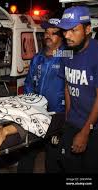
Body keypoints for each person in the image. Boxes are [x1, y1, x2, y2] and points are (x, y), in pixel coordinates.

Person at [17, 18, 65, 173]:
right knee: (26, 155)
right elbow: (29, 83)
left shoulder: (68, 56)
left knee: (53, 160)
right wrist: (28, 106)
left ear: (62, 36)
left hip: (57, 116)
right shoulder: (37, 58)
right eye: (46, 32)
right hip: (36, 114)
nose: (48, 36)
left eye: (54, 33)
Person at [57, 6, 98, 173]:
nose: (67, 35)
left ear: (88, 29)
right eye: (65, 30)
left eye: (73, 30)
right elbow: (67, 85)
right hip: (73, 122)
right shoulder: (65, 52)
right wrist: (68, 116)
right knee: (66, 162)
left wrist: (85, 132)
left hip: (95, 128)